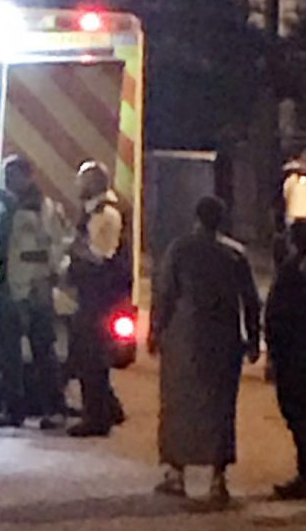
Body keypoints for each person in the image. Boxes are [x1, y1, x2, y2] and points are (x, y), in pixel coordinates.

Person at [149, 196, 260, 504]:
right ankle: (217, 479)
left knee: (178, 404)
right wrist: (253, 339)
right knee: (221, 409)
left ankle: (176, 473)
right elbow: (250, 301)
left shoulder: (180, 249)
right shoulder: (235, 254)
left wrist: (156, 332)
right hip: (224, 342)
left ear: (196, 217)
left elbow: (166, 294)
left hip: (184, 339)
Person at [0, 155, 67, 429]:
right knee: (9, 352)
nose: (9, 182)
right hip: (10, 284)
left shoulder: (39, 209)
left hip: (32, 288)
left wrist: (40, 278)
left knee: (41, 349)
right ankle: (14, 409)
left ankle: (53, 409)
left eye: (13, 176)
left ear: (27, 176)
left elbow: (49, 249)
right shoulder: (8, 207)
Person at [66, 161, 132, 437]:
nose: (77, 185)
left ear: (93, 183)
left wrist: (72, 249)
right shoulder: (96, 211)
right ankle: (108, 407)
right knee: (89, 354)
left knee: (90, 355)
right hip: (94, 294)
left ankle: (96, 418)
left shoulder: (106, 215)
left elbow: (100, 256)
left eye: (82, 180)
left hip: (100, 296)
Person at [264, 221, 306, 500]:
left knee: (300, 414)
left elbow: (277, 311)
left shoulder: (292, 271)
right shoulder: (292, 268)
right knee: (296, 415)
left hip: (296, 356)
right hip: (292, 355)